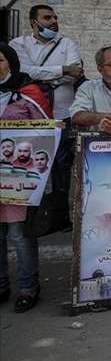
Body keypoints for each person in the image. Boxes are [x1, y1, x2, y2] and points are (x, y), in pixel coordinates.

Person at [1, 43, 63, 312]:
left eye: (0, 60)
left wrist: (53, 128)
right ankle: (1, 286)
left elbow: (45, 131)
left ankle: (28, 286)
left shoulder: (28, 94)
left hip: (17, 179)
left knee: (19, 234)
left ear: (12, 63)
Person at [10, 5, 83, 209]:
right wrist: (62, 70)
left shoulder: (67, 43)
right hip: (31, 117)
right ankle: (34, 211)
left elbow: (75, 73)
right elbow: (24, 72)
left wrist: (39, 75)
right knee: (32, 163)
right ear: (34, 22)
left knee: (62, 164)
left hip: (63, 114)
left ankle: (60, 210)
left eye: (55, 17)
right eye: (48, 18)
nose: (53, 21)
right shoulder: (19, 44)